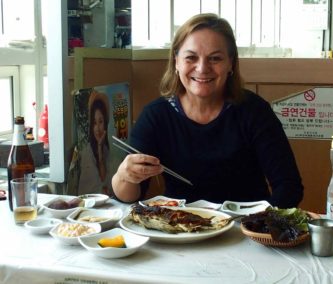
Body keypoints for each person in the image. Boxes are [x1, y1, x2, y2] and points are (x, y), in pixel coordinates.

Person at [112, 13, 304, 208]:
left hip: (244, 229)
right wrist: (124, 176)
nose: (202, 68)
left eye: (215, 58)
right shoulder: (156, 116)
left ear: (231, 63)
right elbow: (129, 196)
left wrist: (259, 224)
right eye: (191, 57)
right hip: (178, 228)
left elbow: (289, 186)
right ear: (176, 62)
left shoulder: (254, 111)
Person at [78, 90, 112, 195]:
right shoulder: (86, 152)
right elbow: (91, 189)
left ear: (105, 123)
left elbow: (105, 180)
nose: (97, 128)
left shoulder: (106, 150)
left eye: (100, 122)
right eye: (94, 123)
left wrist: (100, 147)